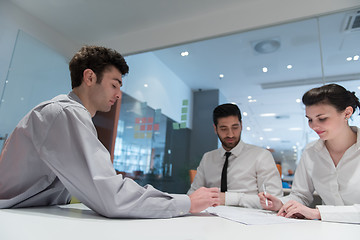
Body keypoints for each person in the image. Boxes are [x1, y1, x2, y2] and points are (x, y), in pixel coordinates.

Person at [0, 45, 220, 218]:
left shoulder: (67, 113)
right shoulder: (65, 113)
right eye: (115, 85)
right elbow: (110, 197)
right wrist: (186, 203)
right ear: (89, 77)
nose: (118, 95)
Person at [259, 83, 360, 224]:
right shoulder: (311, 152)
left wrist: (318, 213)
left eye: (322, 118)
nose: (313, 126)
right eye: (310, 119)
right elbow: (301, 195)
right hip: (328, 232)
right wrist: (280, 204)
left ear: (347, 113)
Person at [187, 103, 283, 208]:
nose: (230, 134)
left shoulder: (261, 156)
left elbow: (273, 200)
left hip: (249, 219)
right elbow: (192, 194)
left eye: (235, 127)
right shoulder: (208, 158)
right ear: (215, 129)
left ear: (241, 125)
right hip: (211, 217)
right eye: (224, 129)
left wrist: (229, 198)